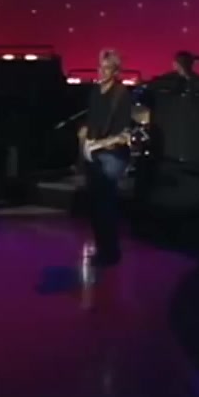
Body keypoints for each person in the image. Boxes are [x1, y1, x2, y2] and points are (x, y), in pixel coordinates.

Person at [79, 49, 133, 267]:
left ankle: (110, 253)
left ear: (116, 70)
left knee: (105, 205)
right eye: (100, 67)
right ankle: (102, 249)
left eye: (107, 68)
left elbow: (123, 132)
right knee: (95, 206)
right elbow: (92, 120)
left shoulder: (121, 94)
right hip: (93, 152)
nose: (101, 72)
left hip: (112, 154)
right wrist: (85, 136)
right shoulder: (95, 91)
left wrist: (101, 143)